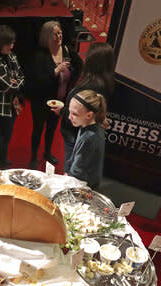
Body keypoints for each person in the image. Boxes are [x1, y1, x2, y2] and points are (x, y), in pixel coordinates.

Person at [51, 42, 115, 173]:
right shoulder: (105, 81)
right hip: (78, 132)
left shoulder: (91, 85)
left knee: (72, 167)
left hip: (74, 133)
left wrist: (63, 111)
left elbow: (80, 113)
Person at [28, 21, 82, 169]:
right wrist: (56, 71)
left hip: (60, 100)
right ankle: (33, 157)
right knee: (38, 129)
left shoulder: (66, 50)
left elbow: (79, 65)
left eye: (60, 33)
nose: (59, 36)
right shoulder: (40, 56)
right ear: (46, 36)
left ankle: (47, 152)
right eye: (55, 34)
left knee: (52, 128)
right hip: (41, 101)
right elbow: (39, 80)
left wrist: (71, 78)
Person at [0, 25, 24, 169]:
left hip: (13, 104)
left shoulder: (11, 56)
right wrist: (15, 82)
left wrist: (16, 81)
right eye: (9, 44)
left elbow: (21, 76)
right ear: (0, 44)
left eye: (12, 42)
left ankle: (2, 159)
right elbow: (10, 87)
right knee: (3, 134)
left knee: (7, 135)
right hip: (0, 107)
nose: (12, 46)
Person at [66, 89, 107, 189]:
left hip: (84, 186)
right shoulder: (88, 126)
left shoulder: (89, 137)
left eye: (74, 114)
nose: (69, 117)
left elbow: (78, 172)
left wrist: (68, 177)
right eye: (69, 112)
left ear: (89, 115)